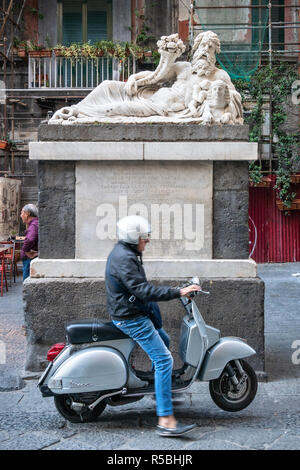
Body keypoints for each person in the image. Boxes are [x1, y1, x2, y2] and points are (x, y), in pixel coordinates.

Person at [105, 215, 200, 437]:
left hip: (133, 311)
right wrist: (178, 291)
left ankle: (160, 390)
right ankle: (166, 420)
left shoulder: (126, 253)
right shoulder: (125, 258)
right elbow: (143, 291)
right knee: (164, 359)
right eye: (143, 237)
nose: (147, 240)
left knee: (164, 340)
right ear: (133, 237)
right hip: (131, 317)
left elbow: (140, 289)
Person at [20, 204, 39, 281]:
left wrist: (26, 251)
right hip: (30, 259)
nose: (21, 215)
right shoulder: (35, 223)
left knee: (27, 282)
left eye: (22, 213)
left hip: (29, 260)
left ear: (27, 213)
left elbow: (30, 239)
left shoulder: (33, 225)